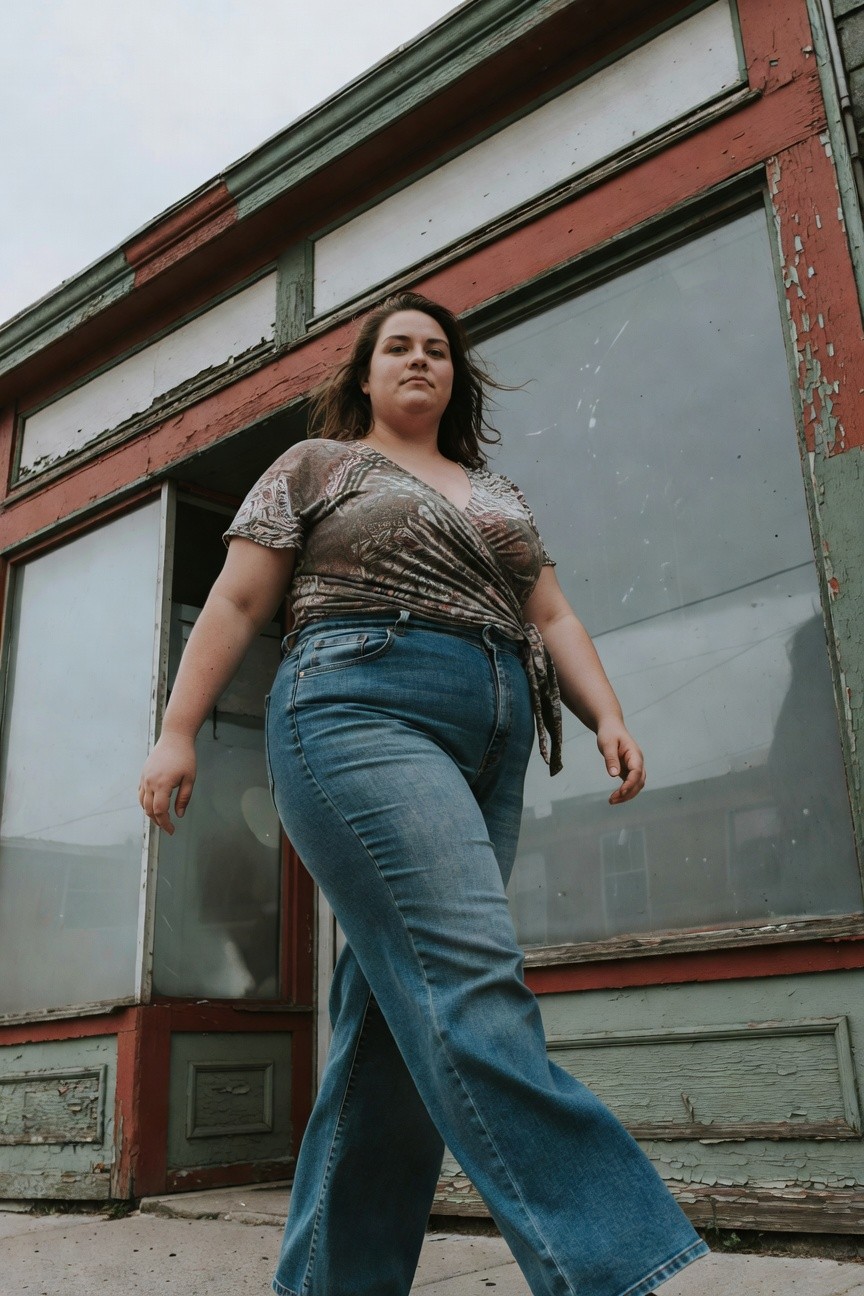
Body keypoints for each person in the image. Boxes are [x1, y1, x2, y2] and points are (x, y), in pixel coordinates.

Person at [139, 291, 708, 1296]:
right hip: (358, 709)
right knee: (470, 980)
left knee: (397, 1029)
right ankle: (619, 1269)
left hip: (493, 736)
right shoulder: (317, 468)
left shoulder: (496, 493)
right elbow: (237, 597)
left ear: (456, 375)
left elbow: (553, 614)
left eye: (435, 349)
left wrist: (606, 715)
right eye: (396, 347)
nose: (417, 360)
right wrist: (179, 731)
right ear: (363, 374)